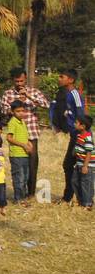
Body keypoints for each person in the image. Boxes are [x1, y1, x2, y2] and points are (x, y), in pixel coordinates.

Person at [2, 67, 47, 199]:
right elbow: (3, 109)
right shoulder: (8, 93)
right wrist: (15, 109)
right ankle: (19, 192)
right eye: (17, 81)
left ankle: (31, 193)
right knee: (19, 164)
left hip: (31, 132)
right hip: (17, 134)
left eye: (22, 81)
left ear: (25, 79)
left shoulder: (34, 91)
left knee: (32, 162)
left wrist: (28, 97)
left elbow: (46, 104)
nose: (20, 84)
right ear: (13, 80)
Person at [57, 69, 86, 204]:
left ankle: (71, 197)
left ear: (70, 80)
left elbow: (80, 114)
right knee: (70, 165)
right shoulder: (68, 95)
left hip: (78, 136)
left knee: (70, 164)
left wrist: (81, 134)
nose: (59, 79)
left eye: (61, 76)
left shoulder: (74, 94)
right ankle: (72, 196)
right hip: (73, 135)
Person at [3, 99, 33, 205]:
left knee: (25, 177)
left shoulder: (23, 122)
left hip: (24, 154)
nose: (21, 113)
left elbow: (26, 136)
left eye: (22, 110)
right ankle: (18, 199)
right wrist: (23, 145)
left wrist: (29, 143)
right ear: (12, 112)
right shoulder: (12, 122)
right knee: (19, 178)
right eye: (18, 111)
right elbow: (9, 138)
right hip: (16, 154)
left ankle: (23, 198)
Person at [74, 112, 94, 209]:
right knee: (75, 181)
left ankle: (88, 203)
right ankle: (81, 200)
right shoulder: (79, 136)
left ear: (83, 126)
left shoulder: (87, 137)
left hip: (87, 166)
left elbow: (89, 153)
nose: (74, 124)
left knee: (86, 184)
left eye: (76, 123)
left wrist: (85, 166)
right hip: (79, 164)